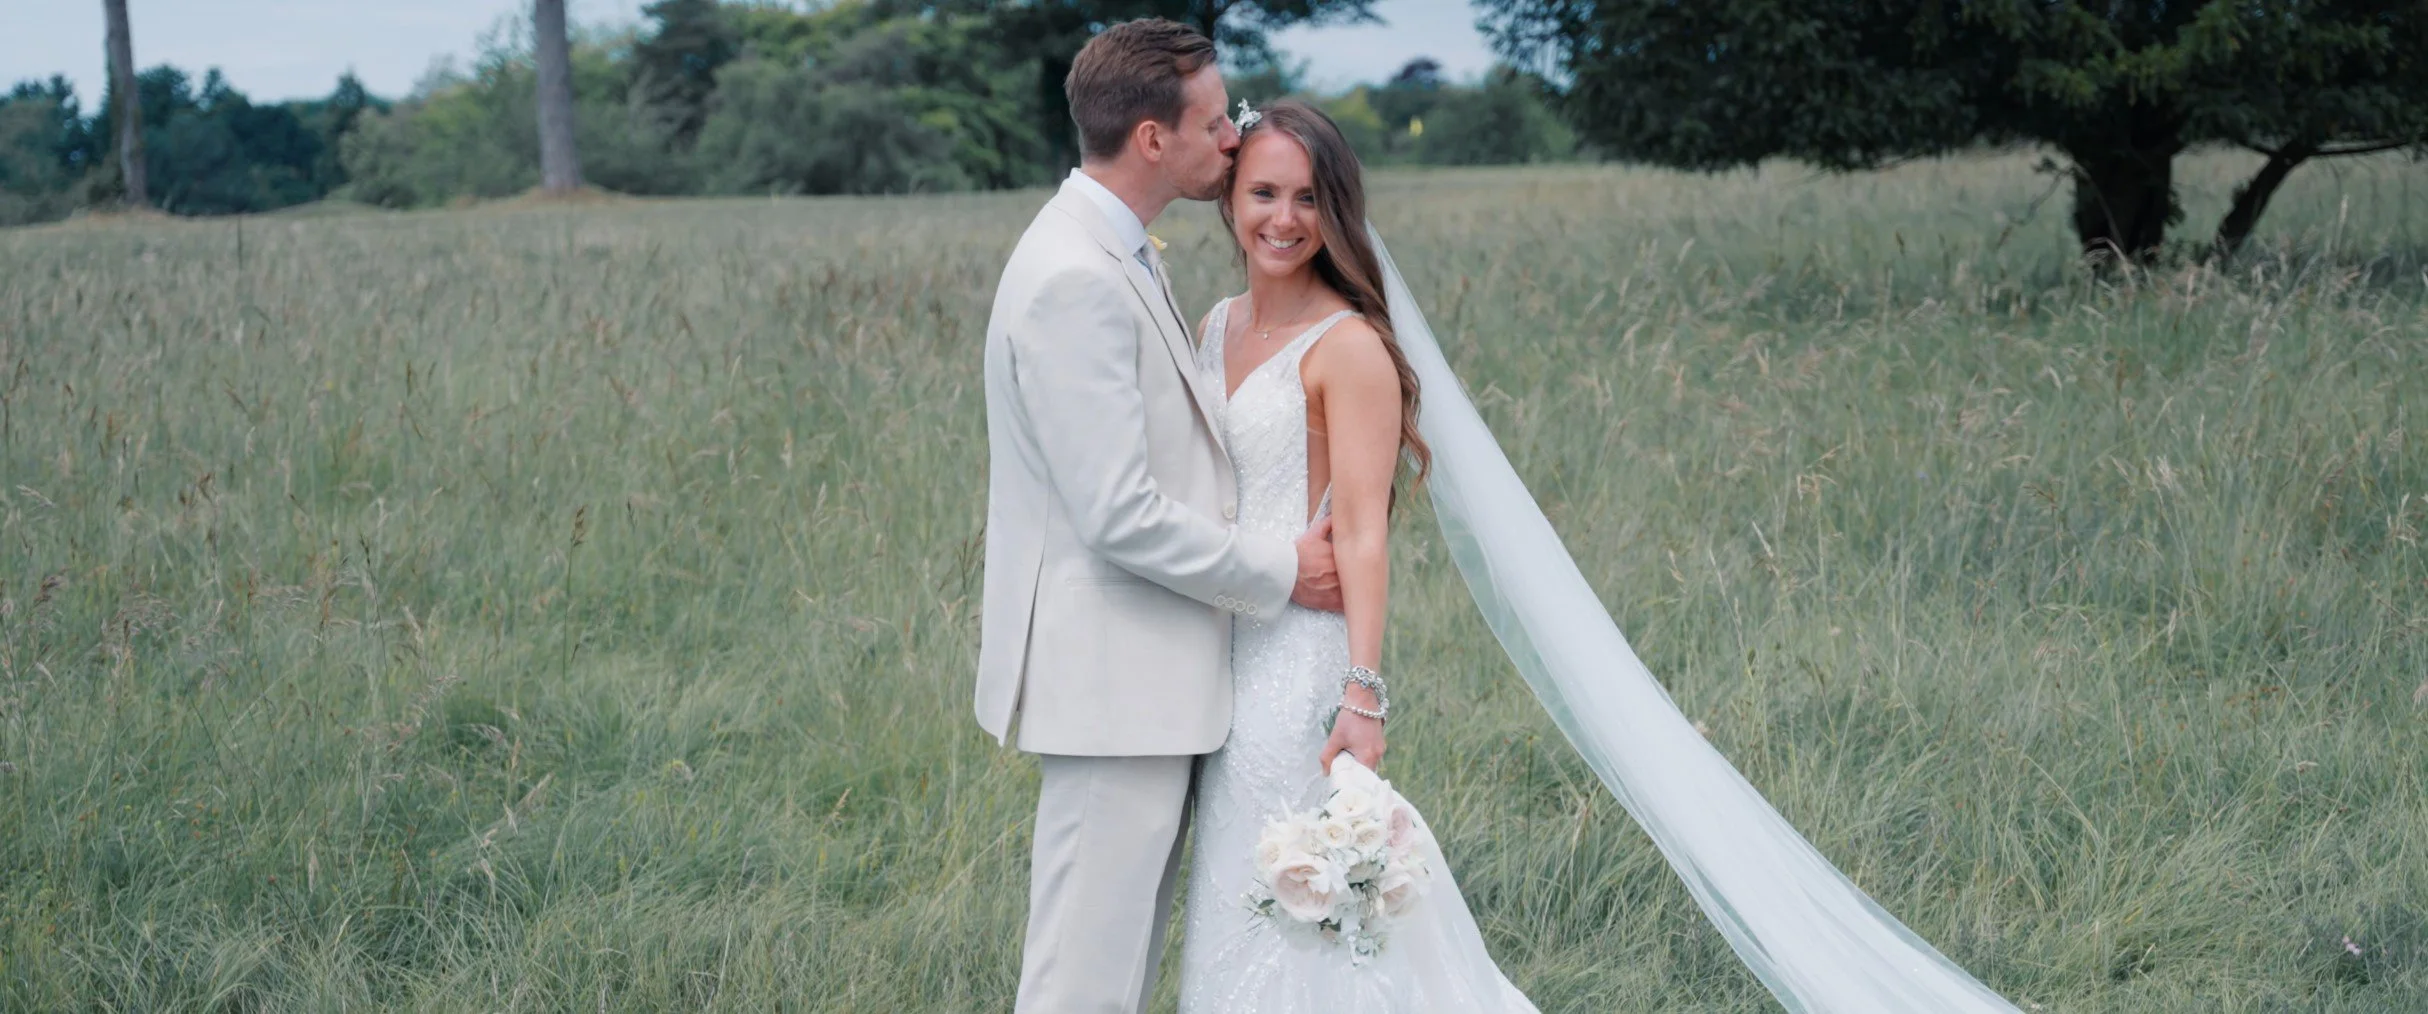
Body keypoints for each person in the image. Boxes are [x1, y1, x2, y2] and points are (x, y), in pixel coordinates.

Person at [974, 19, 1343, 1014]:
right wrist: (1281, 570)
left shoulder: (1115, 248)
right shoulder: (1074, 278)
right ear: (1151, 139)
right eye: (1216, 124)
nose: (1233, 140)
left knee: (1116, 972)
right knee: (1079, 979)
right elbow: (1117, 513)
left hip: (1142, 679)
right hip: (1111, 682)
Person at [1174, 97, 1537, 1012]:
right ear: (1229, 199)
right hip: (1215, 652)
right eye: (1262, 193)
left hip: (1297, 671)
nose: (1283, 220)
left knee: (1301, 905)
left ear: (1335, 212)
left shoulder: (1350, 349)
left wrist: (1362, 693)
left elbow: (1365, 532)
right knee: (1230, 894)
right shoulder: (1214, 325)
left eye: (1307, 199)